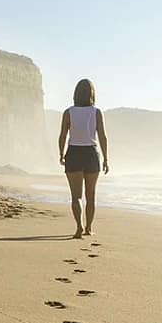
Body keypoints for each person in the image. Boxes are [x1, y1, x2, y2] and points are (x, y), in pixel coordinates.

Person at [58, 78, 109, 238]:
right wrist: (106, 159)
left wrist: (61, 154)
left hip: (73, 152)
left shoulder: (68, 112)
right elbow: (102, 136)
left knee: (76, 196)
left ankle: (79, 227)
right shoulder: (96, 112)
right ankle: (88, 228)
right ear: (92, 94)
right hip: (92, 154)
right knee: (91, 195)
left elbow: (62, 136)